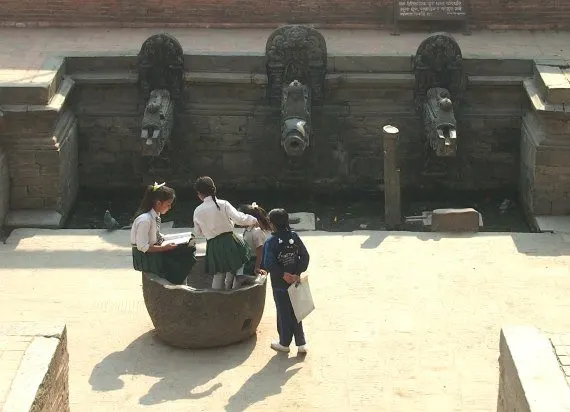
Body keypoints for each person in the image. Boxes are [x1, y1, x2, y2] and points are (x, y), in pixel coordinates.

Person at [192, 176, 258, 290]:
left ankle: (217, 299)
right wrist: (253, 219)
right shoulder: (223, 204)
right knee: (233, 268)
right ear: (214, 189)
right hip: (230, 241)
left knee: (218, 275)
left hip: (213, 245)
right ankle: (230, 292)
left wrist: (210, 231)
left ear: (199, 194)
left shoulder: (197, 211)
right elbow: (239, 219)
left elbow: (198, 232)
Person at [263, 208, 310, 354]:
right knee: (297, 310)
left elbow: (269, 263)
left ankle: (284, 342)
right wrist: (297, 273)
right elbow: (305, 256)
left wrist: (283, 274)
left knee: (283, 312)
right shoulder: (294, 236)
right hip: (295, 281)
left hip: (280, 284)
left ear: (272, 224)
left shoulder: (271, 241)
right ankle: (301, 343)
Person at [130, 182, 197, 285]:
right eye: (168, 204)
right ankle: (176, 284)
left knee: (189, 248)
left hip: (153, 250)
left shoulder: (156, 216)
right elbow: (142, 247)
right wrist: (165, 248)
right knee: (181, 258)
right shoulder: (144, 220)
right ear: (158, 203)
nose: (169, 207)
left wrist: (177, 238)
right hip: (145, 257)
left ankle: (179, 283)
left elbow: (156, 236)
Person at [235, 202, 271, 287]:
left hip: (253, 264)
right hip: (247, 263)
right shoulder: (248, 230)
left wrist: (257, 267)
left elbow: (260, 250)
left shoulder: (256, 231)